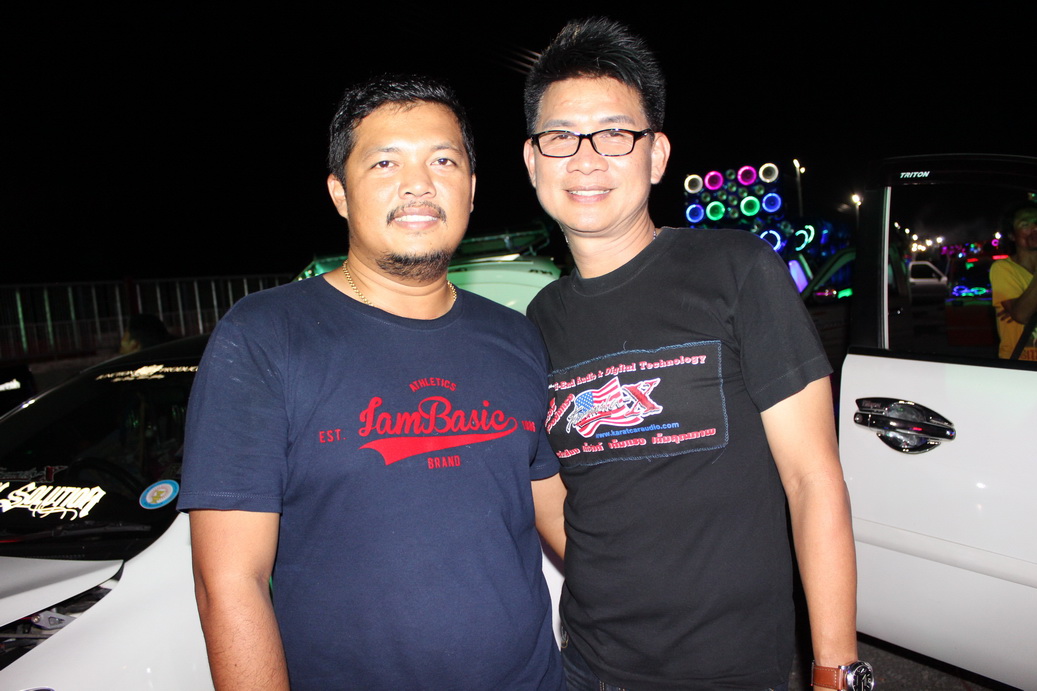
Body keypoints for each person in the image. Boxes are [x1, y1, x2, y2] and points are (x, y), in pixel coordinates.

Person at [178, 74, 566, 691]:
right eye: (386, 162)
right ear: (339, 192)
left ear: (471, 188)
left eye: (443, 160)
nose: (419, 183)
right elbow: (228, 582)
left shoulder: (516, 338)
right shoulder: (265, 337)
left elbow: (562, 518)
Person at [521, 19, 870, 691]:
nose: (585, 159)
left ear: (655, 155)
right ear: (533, 160)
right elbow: (550, 496)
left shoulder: (736, 269)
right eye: (560, 137)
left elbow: (812, 478)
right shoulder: (538, 321)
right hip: (590, 665)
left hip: (731, 668)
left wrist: (835, 668)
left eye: (614, 134)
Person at [991, 201, 1037, 360]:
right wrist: (1023, 308)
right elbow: (1021, 314)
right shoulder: (1003, 268)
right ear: (1011, 235)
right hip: (1020, 365)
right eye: (1025, 224)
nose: (1035, 228)